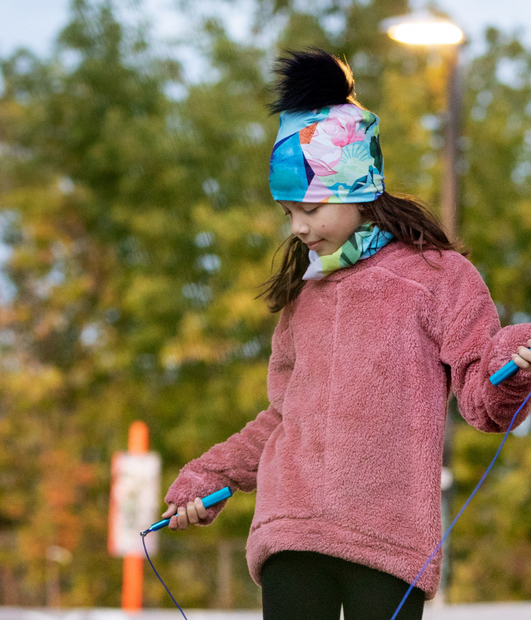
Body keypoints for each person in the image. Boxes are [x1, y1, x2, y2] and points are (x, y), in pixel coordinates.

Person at [162, 49, 531, 620]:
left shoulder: (437, 277)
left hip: (386, 541)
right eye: (288, 214)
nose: (299, 228)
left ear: (356, 185)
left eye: (308, 208)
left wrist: (515, 362)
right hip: (292, 531)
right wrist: (211, 475)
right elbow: (282, 418)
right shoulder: (304, 296)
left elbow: (484, 397)